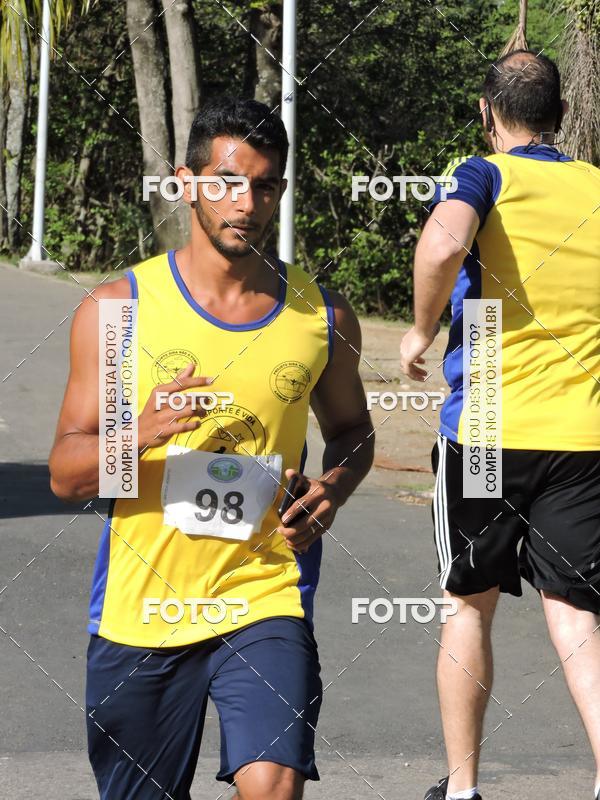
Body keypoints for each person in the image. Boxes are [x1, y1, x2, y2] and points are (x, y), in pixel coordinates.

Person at [49, 96, 374, 800]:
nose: (245, 203)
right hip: (142, 609)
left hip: (263, 593)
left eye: (264, 185)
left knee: (273, 784)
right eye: (226, 181)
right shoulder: (117, 310)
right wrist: (142, 432)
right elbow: (66, 475)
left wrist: (334, 488)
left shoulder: (321, 315)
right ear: (186, 182)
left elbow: (355, 432)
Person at [400, 50, 600, 800]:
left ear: (487, 112)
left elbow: (443, 243)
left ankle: (463, 791)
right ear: (562, 115)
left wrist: (421, 331)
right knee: (576, 615)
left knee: (468, 604)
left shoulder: (481, 174)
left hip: (486, 420)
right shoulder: (595, 184)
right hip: (583, 430)